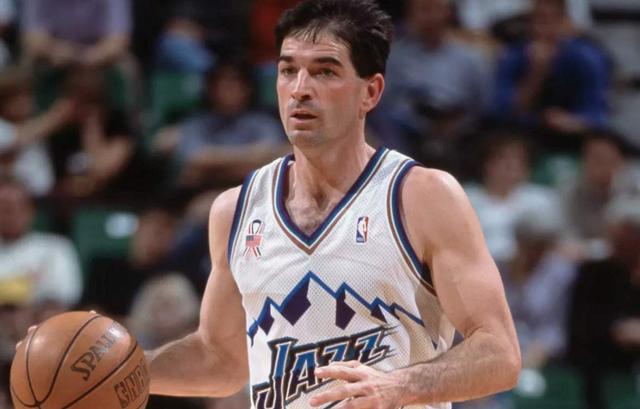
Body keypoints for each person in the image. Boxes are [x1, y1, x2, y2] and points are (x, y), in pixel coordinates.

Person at [21, 1, 521, 408]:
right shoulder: (234, 211)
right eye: (288, 71)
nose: (301, 89)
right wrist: (118, 372)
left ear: (370, 91)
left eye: (325, 72)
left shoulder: (421, 195)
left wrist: (397, 387)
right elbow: (221, 361)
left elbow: (499, 353)